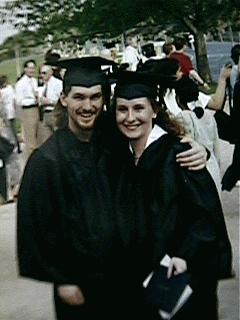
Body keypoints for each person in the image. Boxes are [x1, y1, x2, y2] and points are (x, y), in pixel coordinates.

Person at [17, 57, 208, 320]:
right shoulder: (47, 160)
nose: (88, 106)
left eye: (95, 97)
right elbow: (34, 227)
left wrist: (197, 148)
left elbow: (152, 135)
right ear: (64, 99)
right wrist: (62, 279)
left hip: (125, 276)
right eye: (79, 97)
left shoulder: (113, 140)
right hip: (80, 284)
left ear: (104, 100)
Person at [112, 70, 232, 320]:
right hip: (141, 277)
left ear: (154, 111)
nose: (130, 117)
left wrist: (184, 256)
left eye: (138, 108)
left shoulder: (178, 154)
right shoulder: (121, 158)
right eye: (122, 109)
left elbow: (205, 216)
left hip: (179, 276)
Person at [15, 59, 39, 157]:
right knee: (30, 137)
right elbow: (19, 101)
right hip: (28, 110)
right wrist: (32, 100)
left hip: (37, 109)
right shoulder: (20, 83)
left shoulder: (34, 80)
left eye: (33, 68)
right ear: (25, 69)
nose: (31, 70)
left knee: (38, 135)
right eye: (29, 68)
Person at [38, 64, 63, 144]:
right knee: (47, 141)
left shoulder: (58, 83)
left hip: (55, 113)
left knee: (58, 139)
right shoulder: (44, 84)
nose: (42, 75)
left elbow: (63, 100)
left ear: (51, 72)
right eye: (41, 73)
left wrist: (49, 101)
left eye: (44, 73)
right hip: (45, 114)